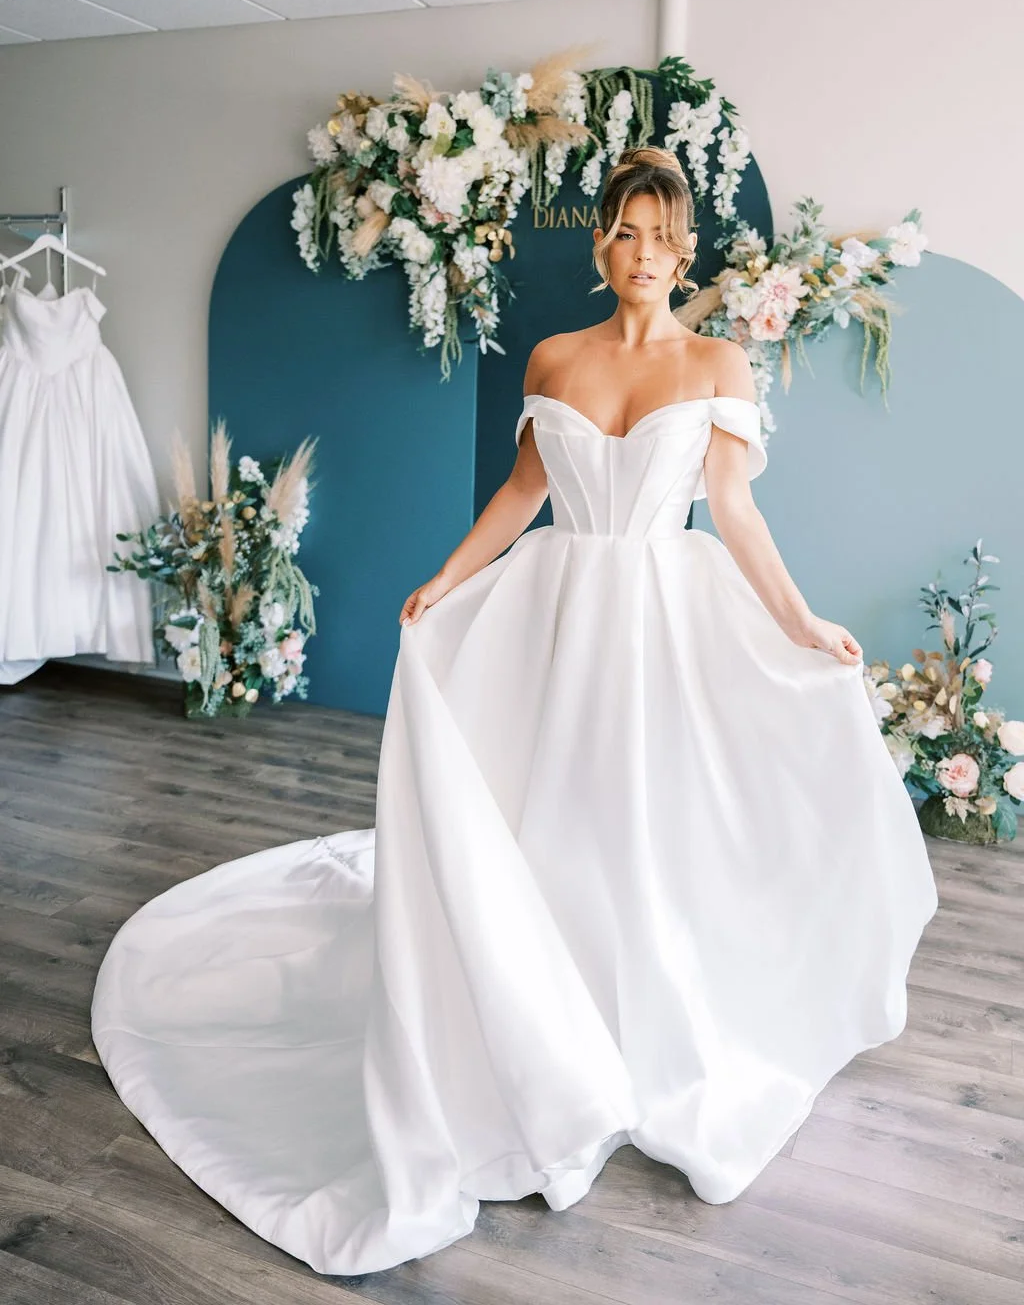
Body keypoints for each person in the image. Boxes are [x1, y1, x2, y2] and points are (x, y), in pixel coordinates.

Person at [91, 146, 938, 1279]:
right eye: (624, 232)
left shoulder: (719, 362)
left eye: (660, 235)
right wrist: (445, 579)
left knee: (647, 820)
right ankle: (541, 1026)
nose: (642, 254)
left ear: (686, 249)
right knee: (554, 812)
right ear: (603, 243)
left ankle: (644, 1022)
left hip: (662, 615)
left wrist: (798, 622)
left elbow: (733, 514)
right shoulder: (554, 356)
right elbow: (524, 496)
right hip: (558, 608)